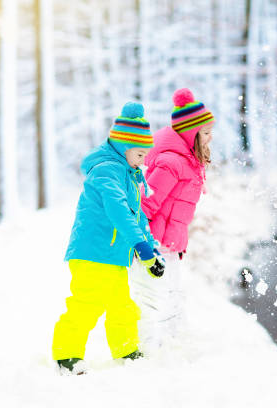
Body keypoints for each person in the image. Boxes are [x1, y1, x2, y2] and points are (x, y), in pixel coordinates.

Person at [52, 102, 165, 375]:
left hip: (113, 255)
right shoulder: (106, 171)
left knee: (122, 306)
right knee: (87, 304)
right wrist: (140, 247)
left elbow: (137, 217)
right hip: (93, 252)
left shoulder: (128, 173)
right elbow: (118, 212)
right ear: (124, 147)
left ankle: (126, 351)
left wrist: (151, 250)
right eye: (140, 154)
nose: (143, 161)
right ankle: (66, 356)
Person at [132, 88, 214, 348]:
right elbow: (146, 204)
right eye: (207, 132)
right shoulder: (171, 162)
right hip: (153, 244)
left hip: (170, 243)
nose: (212, 137)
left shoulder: (188, 161)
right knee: (151, 298)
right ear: (192, 134)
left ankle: (174, 346)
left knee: (173, 295)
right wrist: (142, 245)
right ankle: (145, 350)